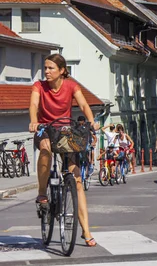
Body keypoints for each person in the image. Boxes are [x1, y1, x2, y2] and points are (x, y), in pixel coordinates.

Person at [29, 53, 100, 247]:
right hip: (44, 129)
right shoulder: (39, 87)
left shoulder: (70, 85)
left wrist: (92, 121)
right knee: (45, 150)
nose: (47, 72)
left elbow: (84, 104)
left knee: (76, 180)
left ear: (62, 71)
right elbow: (34, 104)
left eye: (51, 68)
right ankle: (43, 192)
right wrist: (34, 121)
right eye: (45, 68)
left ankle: (86, 231)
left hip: (65, 132)